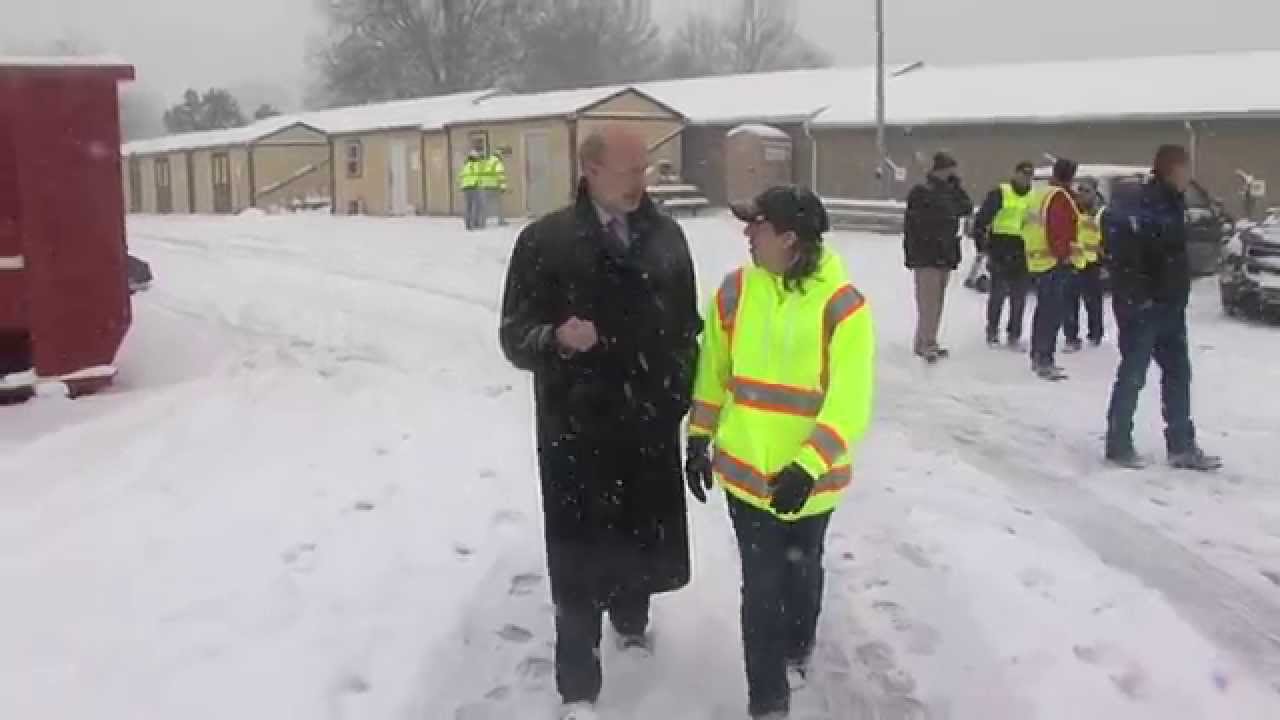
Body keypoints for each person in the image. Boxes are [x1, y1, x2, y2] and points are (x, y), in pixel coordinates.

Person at [498, 126, 702, 720]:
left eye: (644, 169)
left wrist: (677, 397)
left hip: (646, 424)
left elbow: (687, 330)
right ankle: (578, 687)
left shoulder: (668, 238)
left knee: (640, 540)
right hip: (576, 428)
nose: (640, 182)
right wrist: (555, 338)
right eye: (627, 171)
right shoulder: (545, 242)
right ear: (589, 170)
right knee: (577, 560)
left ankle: (633, 624)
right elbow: (514, 336)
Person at [686, 186, 876, 720]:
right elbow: (713, 371)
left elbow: (851, 399)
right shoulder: (734, 291)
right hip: (747, 477)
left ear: (789, 238)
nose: (748, 234)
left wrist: (808, 466)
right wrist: (698, 437)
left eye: (758, 226)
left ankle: (799, 644)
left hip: (812, 483)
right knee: (762, 587)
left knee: (802, 570)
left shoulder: (842, 305)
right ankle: (768, 701)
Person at [1104, 145, 1222, 471]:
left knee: (1178, 373)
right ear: (1173, 169)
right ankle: (1118, 443)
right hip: (1143, 307)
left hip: (1170, 305)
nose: (1189, 176)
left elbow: (1172, 254)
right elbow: (1129, 258)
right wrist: (1139, 298)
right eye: (1186, 169)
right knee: (1133, 374)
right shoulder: (1144, 205)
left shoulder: (1172, 202)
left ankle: (1181, 445)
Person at [903, 152, 973, 363]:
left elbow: (966, 208)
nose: (951, 173)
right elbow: (912, 225)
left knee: (938, 301)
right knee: (928, 302)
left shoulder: (951, 192)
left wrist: (956, 187)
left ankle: (928, 340)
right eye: (948, 170)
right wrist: (911, 253)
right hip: (926, 253)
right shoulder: (922, 192)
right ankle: (925, 343)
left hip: (946, 252)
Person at [1024, 158, 1082, 381]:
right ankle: (1044, 359)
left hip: (1038, 259)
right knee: (1051, 313)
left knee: (1044, 311)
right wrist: (1063, 255)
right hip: (1053, 262)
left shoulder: (1040, 194)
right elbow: (1059, 229)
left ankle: (1038, 355)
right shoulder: (1058, 197)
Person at [973, 161, 1036, 348]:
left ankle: (1014, 334)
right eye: (1023, 174)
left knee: (1019, 296)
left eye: (1029, 175)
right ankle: (992, 331)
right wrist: (982, 246)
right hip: (1000, 248)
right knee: (998, 294)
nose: (1026, 178)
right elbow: (981, 220)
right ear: (1015, 174)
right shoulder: (1000, 193)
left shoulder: (1033, 197)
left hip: (1022, 250)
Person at [1064, 179, 1107, 351]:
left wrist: (1105, 261)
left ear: (1095, 193)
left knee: (1093, 302)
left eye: (1086, 191)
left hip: (1093, 263)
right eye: (1080, 190)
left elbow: (1108, 238)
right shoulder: (1071, 210)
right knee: (1069, 302)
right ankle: (1071, 337)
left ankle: (1095, 335)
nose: (1082, 194)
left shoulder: (1102, 213)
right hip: (1073, 262)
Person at [458, 148, 486, 230]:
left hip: (466, 187)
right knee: (477, 205)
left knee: (468, 206)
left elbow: (461, 175)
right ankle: (475, 223)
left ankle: (468, 224)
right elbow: (479, 174)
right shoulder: (476, 165)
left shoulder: (466, 165)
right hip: (474, 186)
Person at [480, 149, 509, 227]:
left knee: (484, 205)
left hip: (485, 186)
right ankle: (501, 221)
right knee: (499, 205)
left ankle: (482, 221)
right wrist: (503, 187)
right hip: (494, 186)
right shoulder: (497, 162)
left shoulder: (487, 161)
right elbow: (500, 175)